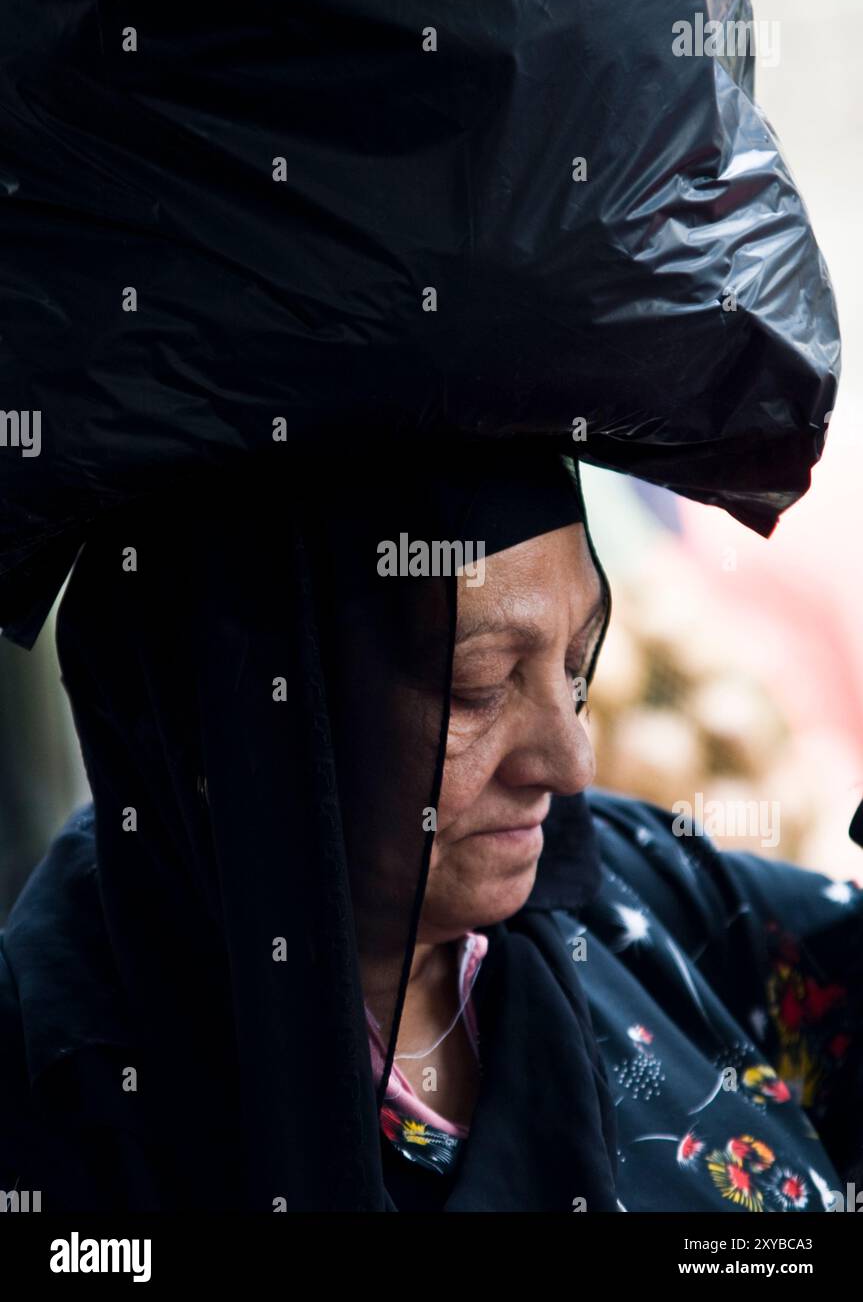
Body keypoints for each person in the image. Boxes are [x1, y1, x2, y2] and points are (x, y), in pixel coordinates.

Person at [1, 438, 861, 1212]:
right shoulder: (65, 1100)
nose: (570, 766)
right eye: (479, 687)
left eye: (575, 665)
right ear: (242, 718)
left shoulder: (640, 891)